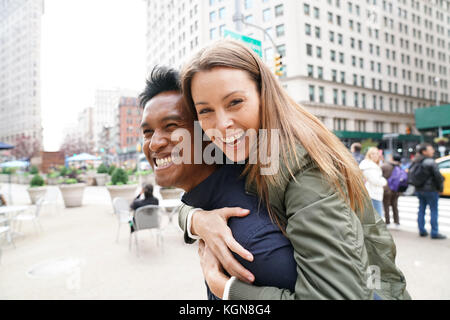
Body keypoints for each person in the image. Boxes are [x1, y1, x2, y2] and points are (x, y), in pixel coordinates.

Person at [178, 39, 410, 300]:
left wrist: (228, 290)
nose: (221, 124)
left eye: (235, 102)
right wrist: (197, 220)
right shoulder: (243, 149)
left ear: (263, 95)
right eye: (205, 110)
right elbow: (196, 197)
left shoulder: (302, 167)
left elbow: (336, 296)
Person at [138, 66, 298, 299]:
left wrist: (221, 286)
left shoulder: (246, 240)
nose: (154, 144)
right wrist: (195, 219)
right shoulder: (211, 202)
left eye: (171, 127)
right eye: (147, 132)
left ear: (210, 132)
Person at [410, 143, 446, 239]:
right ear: (424, 151)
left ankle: (422, 230)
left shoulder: (415, 161)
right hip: (431, 190)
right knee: (433, 210)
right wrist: (440, 188)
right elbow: (438, 177)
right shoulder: (430, 161)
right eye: (430, 149)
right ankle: (434, 232)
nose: (433, 151)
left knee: (421, 209)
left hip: (419, 189)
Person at [359, 147, 387, 216]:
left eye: (377, 153)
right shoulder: (369, 166)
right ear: (369, 155)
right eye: (372, 154)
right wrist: (384, 181)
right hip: (372, 194)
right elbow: (375, 181)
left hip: (373, 193)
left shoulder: (371, 165)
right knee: (377, 219)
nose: (375, 155)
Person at [381, 154, 403, 228]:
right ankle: (397, 222)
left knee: (386, 206)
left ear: (392, 158)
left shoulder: (384, 166)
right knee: (395, 205)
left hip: (387, 189)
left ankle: (387, 222)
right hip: (396, 189)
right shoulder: (399, 166)